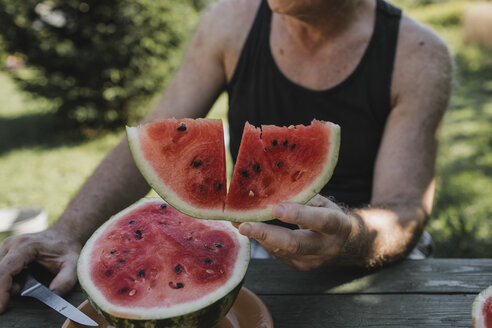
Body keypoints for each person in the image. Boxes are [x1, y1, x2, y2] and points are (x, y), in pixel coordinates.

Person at [0, 0, 451, 313]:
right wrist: (67, 231)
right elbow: (154, 141)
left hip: (369, 260)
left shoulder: (418, 55)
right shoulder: (230, 21)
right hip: (250, 243)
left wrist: (349, 237)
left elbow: (405, 209)